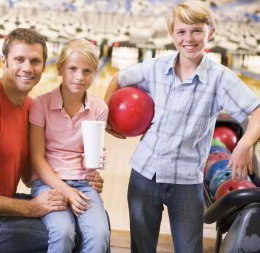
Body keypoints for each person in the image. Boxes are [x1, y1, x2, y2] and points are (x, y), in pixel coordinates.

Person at [104, 1, 260, 252]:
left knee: (190, 248)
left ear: (211, 32)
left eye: (197, 30)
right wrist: (107, 119)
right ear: (172, 34)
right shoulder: (155, 67)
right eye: (181, 32)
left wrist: (245, 143)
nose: (189, 38)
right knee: (141, 248)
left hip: (187, 181)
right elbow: (117, 78)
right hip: (145, 173)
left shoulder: (220, 78)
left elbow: (257, 110)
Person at [0, 28, 105, 253]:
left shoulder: (30, 107)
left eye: (35, 61)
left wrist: (81, 179)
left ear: (44, 67)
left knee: (95, 221)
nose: (27, 68)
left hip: (1, 207)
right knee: (74, 236)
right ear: (4, 62)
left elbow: (30, 177)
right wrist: (31, 208)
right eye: (19, 59)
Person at [29, 38, 110, 253]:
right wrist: (66, 191)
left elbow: (89, 154)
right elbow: (36, 158)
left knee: (99, 234)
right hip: (47, 183)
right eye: (72, 68)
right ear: (60, 69)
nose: (79, 77)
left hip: (83, 183)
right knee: (63, 232)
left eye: (87, 71)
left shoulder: (99, 107)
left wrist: (95, 162)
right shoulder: (40, 104)